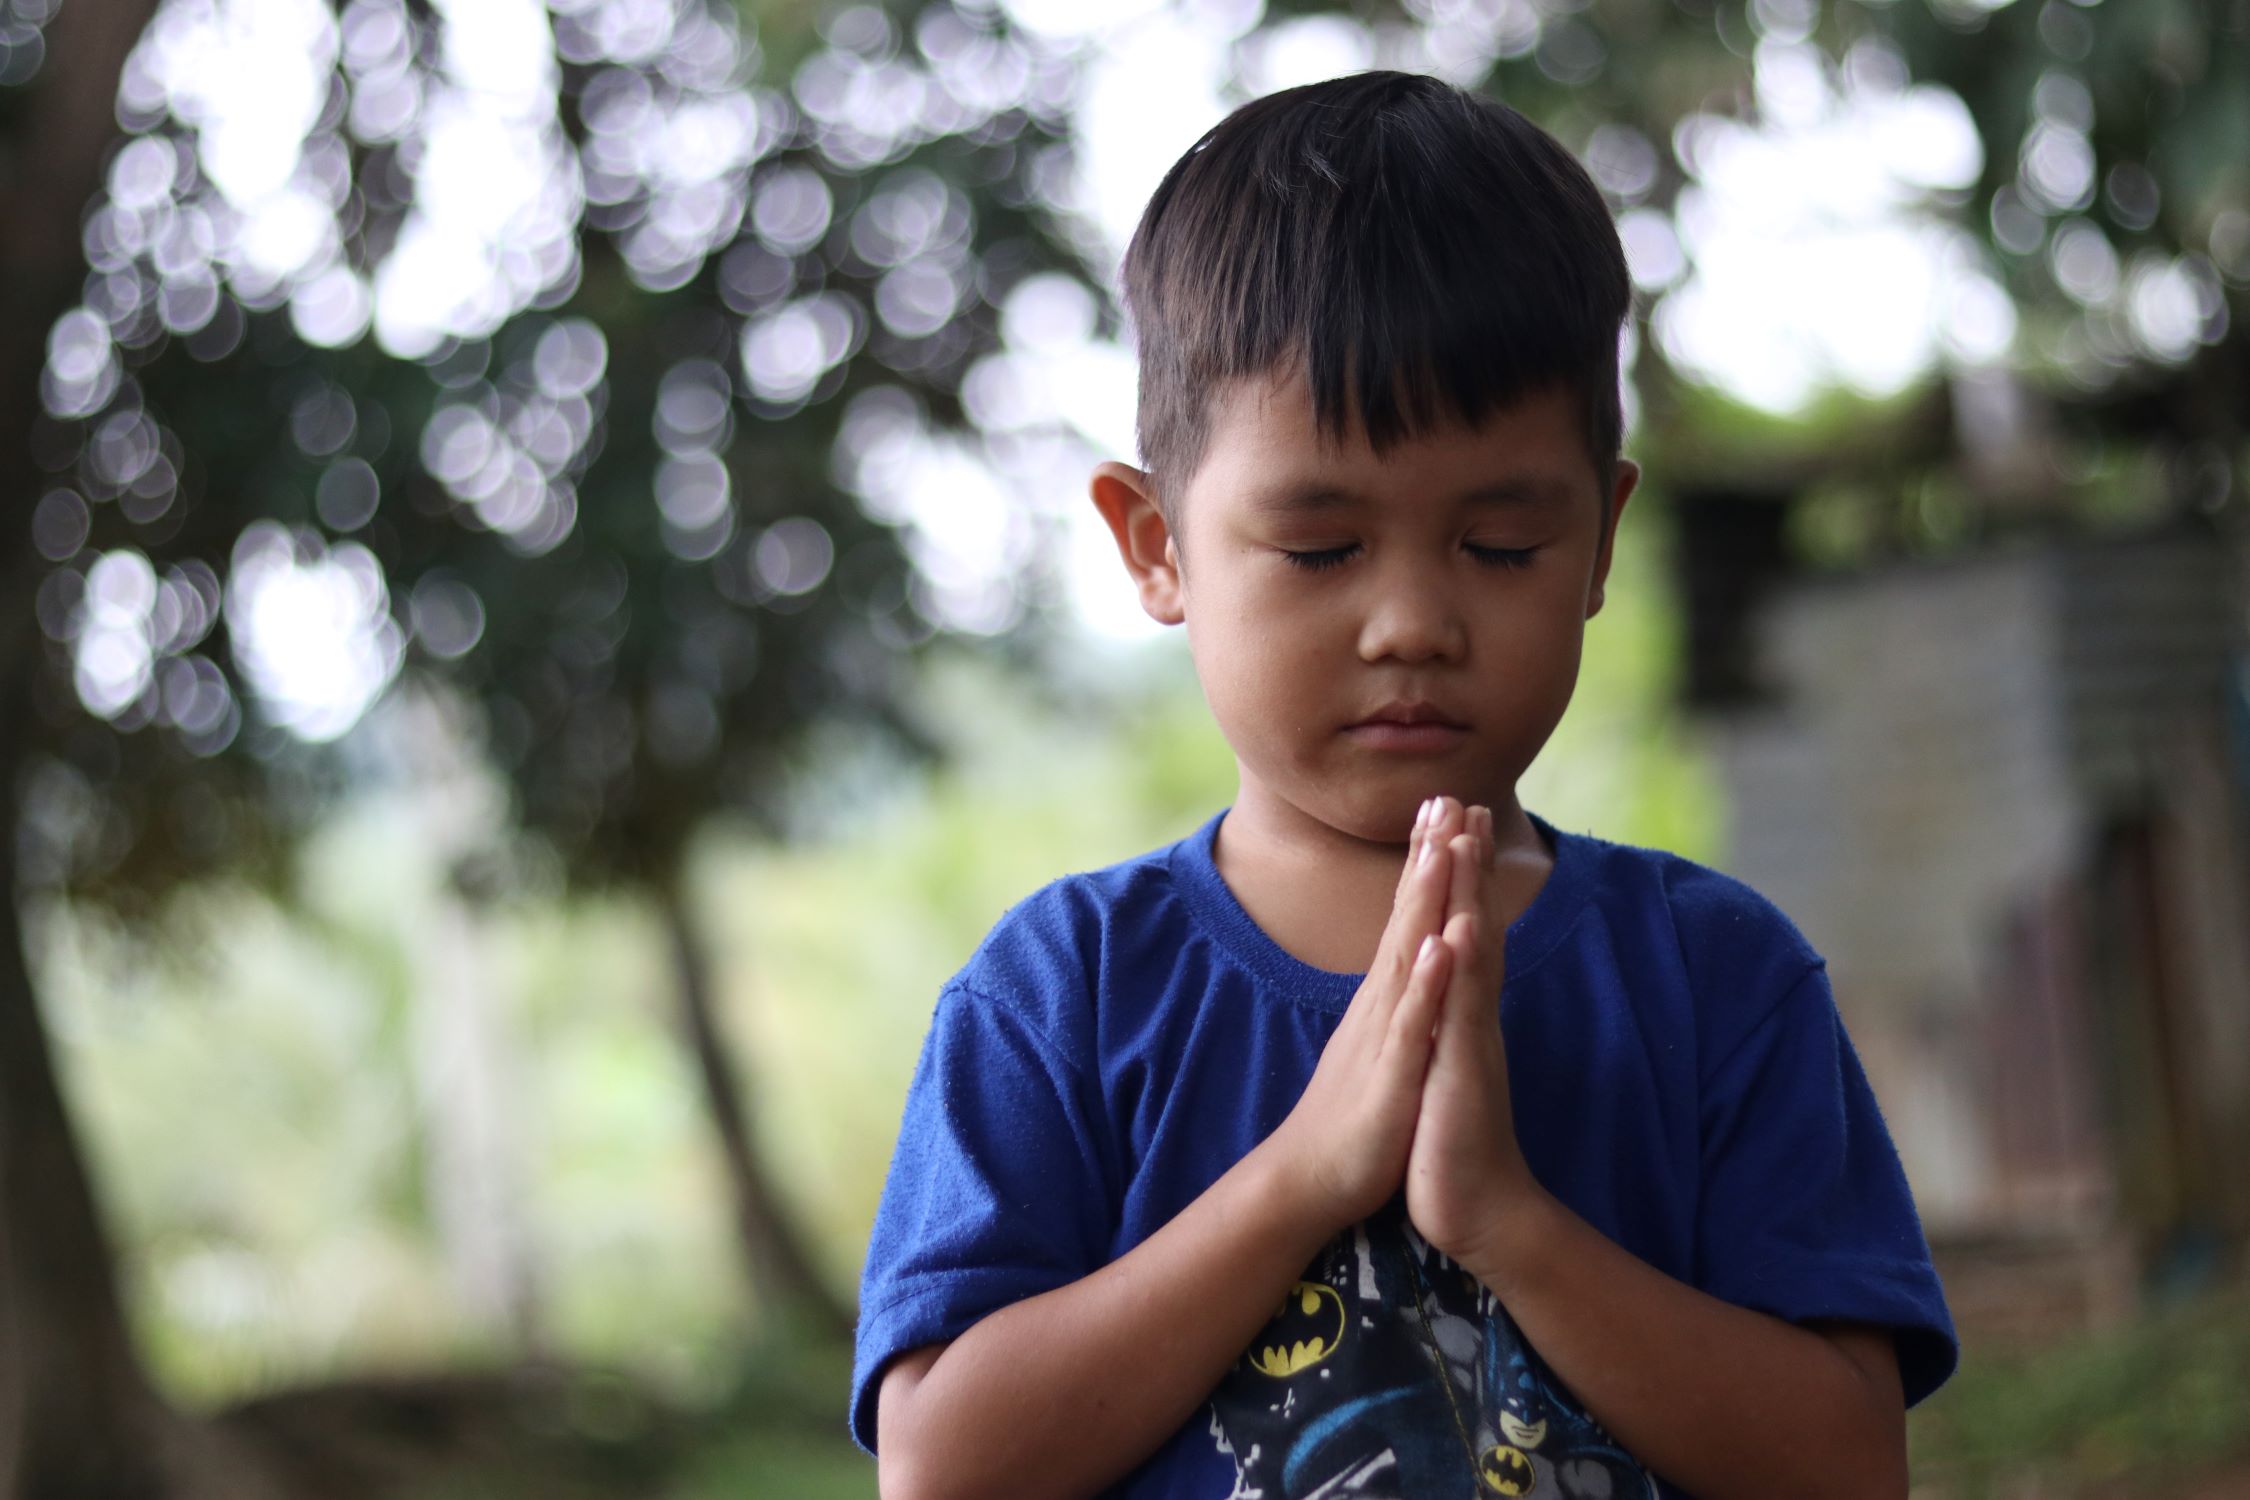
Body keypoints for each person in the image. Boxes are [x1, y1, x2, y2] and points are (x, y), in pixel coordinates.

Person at [848, 70, 1958, 1500]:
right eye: (1319, 551)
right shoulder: (1063, 995)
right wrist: (1304, 1171)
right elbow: (945, 1469)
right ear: (1154, 545)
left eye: (1498, 544)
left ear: (1601, 541)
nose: (1413, 623)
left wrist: (1508, 1222)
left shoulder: (1715, 981)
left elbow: (1845, 1468)